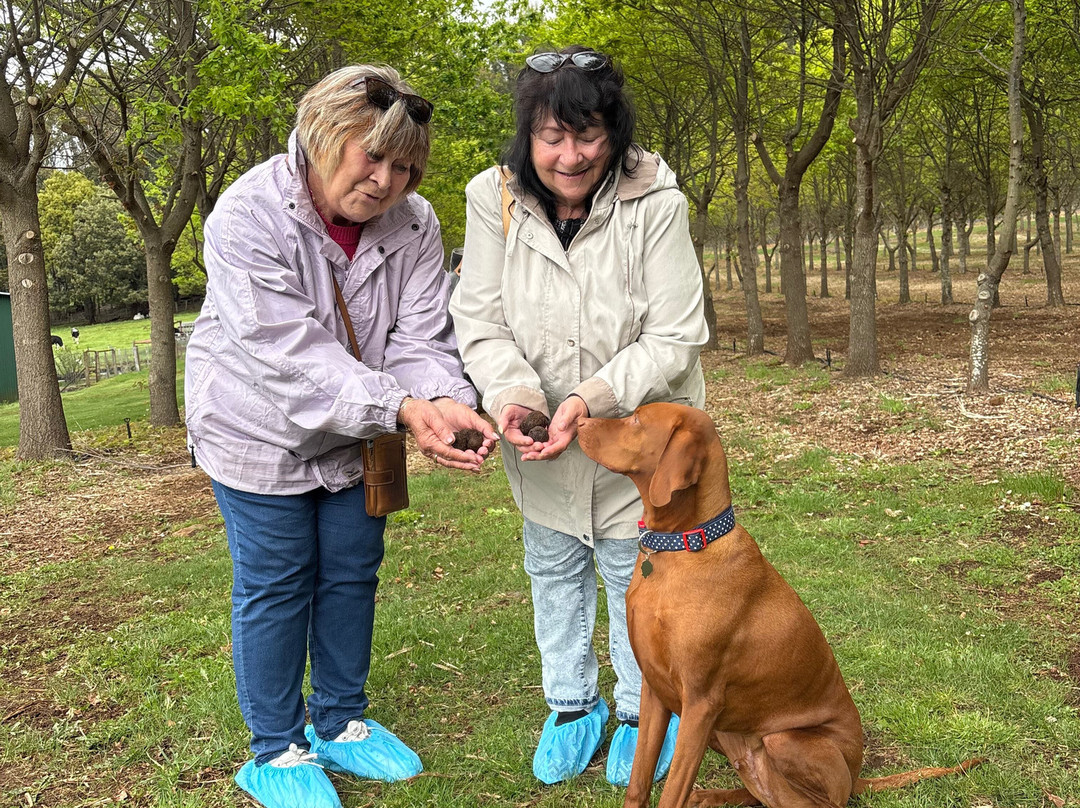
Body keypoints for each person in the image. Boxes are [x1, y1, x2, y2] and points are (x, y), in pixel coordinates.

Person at [184, 64, 495, 808]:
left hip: (366, 427)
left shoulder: (417, 221)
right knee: (277, 581)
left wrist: (448, 401)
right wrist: (403, 408)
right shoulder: (246, 215)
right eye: (374, 158)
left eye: (408, 167)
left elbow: (421, 334)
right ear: (326, 137)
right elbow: (285, 352)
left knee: (353, 571)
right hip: (257, 428)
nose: (389, 181)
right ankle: (276, 749)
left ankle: (340, 721)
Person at [449, 46, 708, 786]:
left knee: (639, 573)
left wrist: (586, 400)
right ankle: (570, 705)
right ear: (527, 136)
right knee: (554, 566)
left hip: (639, 437)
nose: (570, 155)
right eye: (552, 136)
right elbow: (481, 319)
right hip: (540, 442)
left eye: (587, 134)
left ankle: (639, 708)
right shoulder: (491, 198)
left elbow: (675, 333)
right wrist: (514, 399)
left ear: (613, 132)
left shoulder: (655, 202)